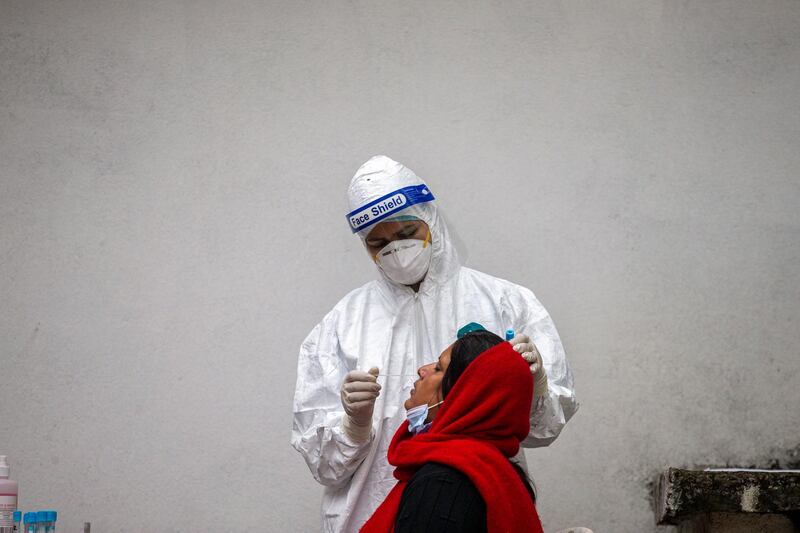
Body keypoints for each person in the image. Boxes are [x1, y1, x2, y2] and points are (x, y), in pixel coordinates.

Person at [291, 155, 577, 532]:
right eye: (378, 242)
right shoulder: (341, 325)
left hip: (468, 507)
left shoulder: (504, 302)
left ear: (431, 220)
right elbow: (324, 467)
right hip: (367, 515)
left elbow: (543, 430)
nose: (395, 248)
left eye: (407, 231)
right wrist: (353, 426)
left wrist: (538, 387)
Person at [361, 328, 543, 533]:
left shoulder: (443, 484)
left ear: (463, 396)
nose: (422, 369)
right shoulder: (495, 471)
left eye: (438, 368)